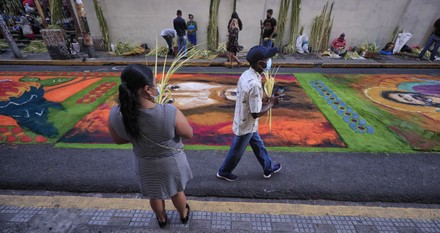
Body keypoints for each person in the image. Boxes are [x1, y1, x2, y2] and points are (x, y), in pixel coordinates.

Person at [107, 64, 193, 228]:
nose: (157, 84)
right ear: (147, 89)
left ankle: (161, 219)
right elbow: (188, 133)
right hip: (171, 163)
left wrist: (138, 139)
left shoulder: (116, 114)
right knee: (176, 191)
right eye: (155, 82)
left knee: (155, 194)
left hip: (144, 162)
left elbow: (118, 139)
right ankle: (183, 215)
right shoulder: (168, 111)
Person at [217, 45, 283, 182]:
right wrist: (272, 103)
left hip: (245, 120)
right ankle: (224, 171)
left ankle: (268, 167)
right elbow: (255, 113)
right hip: (247, 123)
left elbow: (251, 98)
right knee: (237, 150)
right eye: (268, 59)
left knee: (258, 145)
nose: (270, 61)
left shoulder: (247, 74)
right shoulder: (253, 83)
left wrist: (266, 98)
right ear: (260, 63)